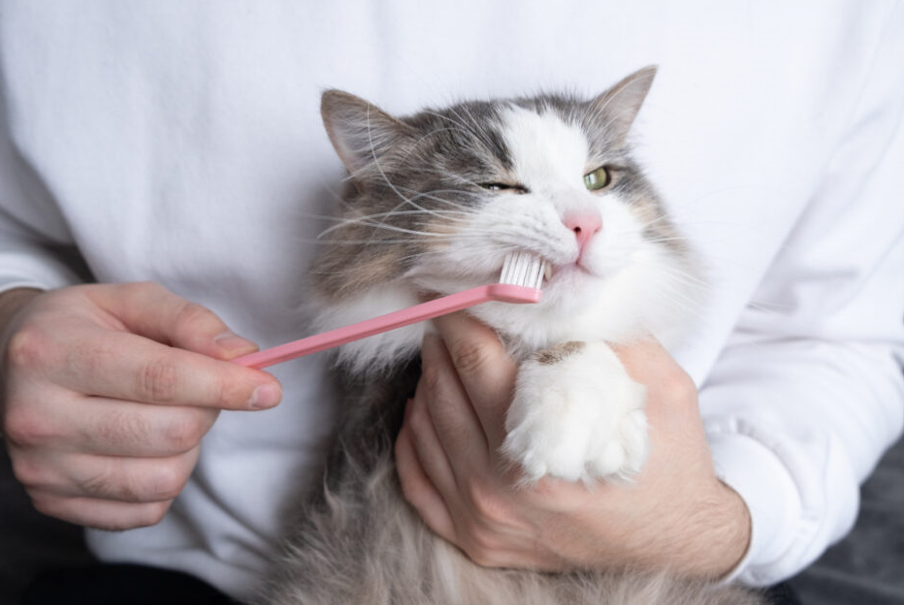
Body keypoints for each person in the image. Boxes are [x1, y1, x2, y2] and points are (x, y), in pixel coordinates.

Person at [1, 1, 902, 603]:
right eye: (505, 189)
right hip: (189, 570)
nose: (579, 220)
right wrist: (11, 319)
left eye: (600, 176)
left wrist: (719, 518)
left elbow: (849, 333)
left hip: (702, 554)